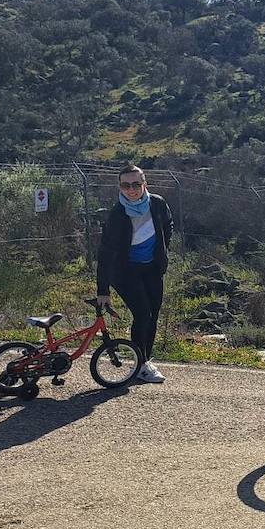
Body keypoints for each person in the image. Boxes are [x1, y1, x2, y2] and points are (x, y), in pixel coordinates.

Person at [96, 164, 174, 383]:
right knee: (143, 314)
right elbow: (105, 253)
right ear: (120, 187)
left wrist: (163, 252)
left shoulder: (157, 204)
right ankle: (141, 364)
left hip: (152, 269)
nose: (131, 189)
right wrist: (103, 290)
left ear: (144, 184)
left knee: (153, 315)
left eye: (136, 184)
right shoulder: (117, 214)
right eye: (125, 185)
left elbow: (168, 226)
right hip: (124, 271)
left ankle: (144, 359)